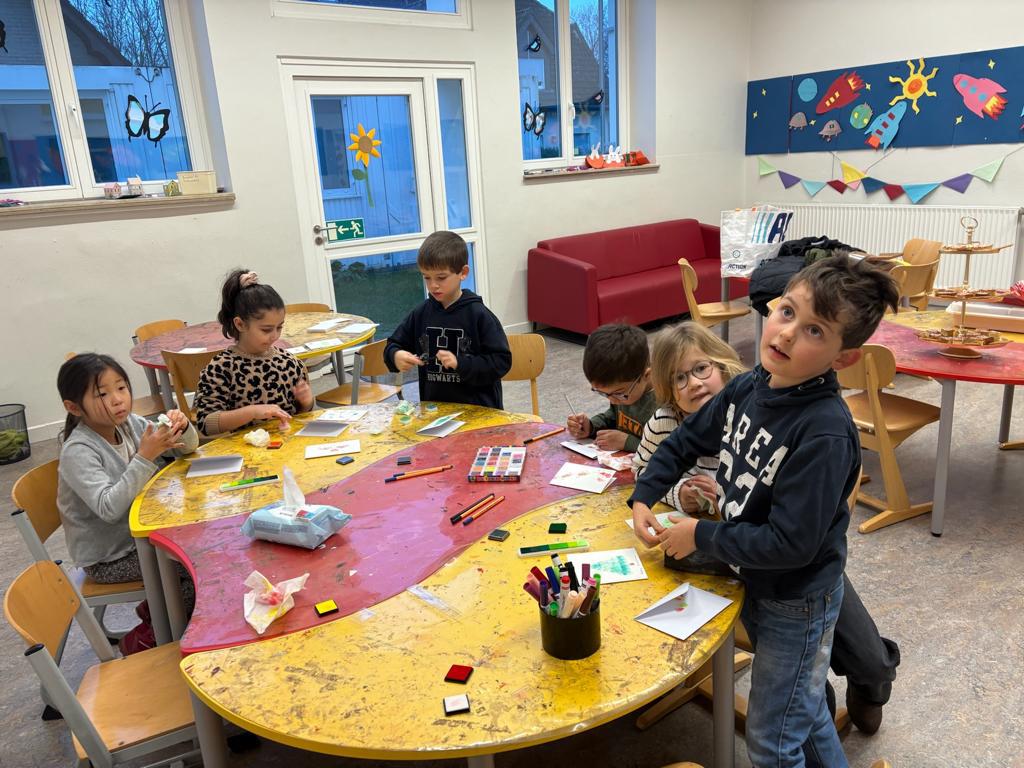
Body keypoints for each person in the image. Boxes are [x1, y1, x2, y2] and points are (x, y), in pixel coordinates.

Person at [630, 256, 900, 767]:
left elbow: (791, 544)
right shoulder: (750, 385)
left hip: (797, 601)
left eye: (815, 330)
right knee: (806, 712)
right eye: (787, 312)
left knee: (772, 744)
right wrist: (646, 493)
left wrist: (700, 535)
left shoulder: (823, 432)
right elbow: (686, 439)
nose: (788, 333)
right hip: (756, 578)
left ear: (843, 356)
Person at [57, 353, 198, 653]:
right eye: (102, 394)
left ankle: (160, 611)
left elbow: (184, 450)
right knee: (192, 564)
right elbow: (108, 508)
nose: (118, 399)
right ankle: (147, 637)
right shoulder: (78, 452)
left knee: (198, 545)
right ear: (73, 407)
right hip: (109, 558)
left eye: (121, 388)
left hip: (141, 536)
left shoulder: (130, 424)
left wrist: (182, 428)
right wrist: (144, 457)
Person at [384, 231, 511, 408]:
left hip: (479, 411)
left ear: (463, 273)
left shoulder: (479, 315)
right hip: (435, 411)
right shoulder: (421, 313)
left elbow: (501, 362)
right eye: (426, 277)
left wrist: (461, 363)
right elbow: (393, 344)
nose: (433, 285)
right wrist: (395, 355)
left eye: (441, 278)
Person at [194, 269, 315, 435]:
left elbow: (301, 416)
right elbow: (206, 423)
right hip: (244, 449)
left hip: (288, 445)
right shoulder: (221, 368)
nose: (275, 336)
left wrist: (307, 403)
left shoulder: (290, 363)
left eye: (279, 327)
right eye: (266, 330)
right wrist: (252, 412)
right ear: (240, 324)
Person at [567, 323, 657, 452]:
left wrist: (628, 442)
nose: (613, 401)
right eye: (603, 393)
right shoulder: (623, 394)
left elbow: (671, 454)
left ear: (646, 375)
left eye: (619, 394)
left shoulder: (667, 404)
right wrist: (591, 426)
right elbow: (614, 417)